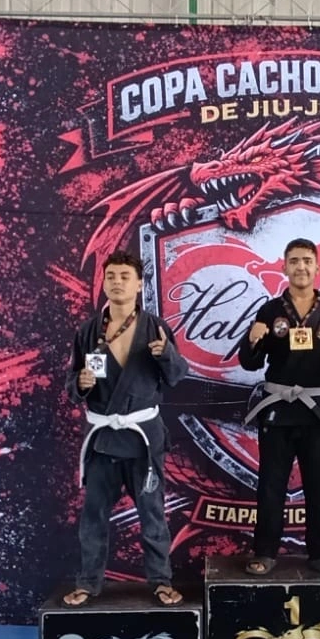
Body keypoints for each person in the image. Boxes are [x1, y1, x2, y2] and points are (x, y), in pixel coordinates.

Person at [63, 249, 189, 606]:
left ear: (138, 285)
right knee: (93, 516)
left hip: (143, 439)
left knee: (152, 514)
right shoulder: (88, 331)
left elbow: (178, 376)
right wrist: (81, 384)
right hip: (103, 437)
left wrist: (165, 354)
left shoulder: (155, 328)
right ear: (104, 283)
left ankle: (160, 581)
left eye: (125, 276)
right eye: (111, 276)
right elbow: (71, 383)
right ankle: (88, 582)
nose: (117, 282)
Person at [236, 238, 320, 576]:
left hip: (316, 411)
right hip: (277, 409)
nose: (301, 267)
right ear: (284, 267)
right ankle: (265, 551)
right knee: (271, 485)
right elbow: (250, 362)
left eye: (307, 260)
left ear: (318, 267)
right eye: (294, 261)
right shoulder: (270, 311)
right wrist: (252, 339)